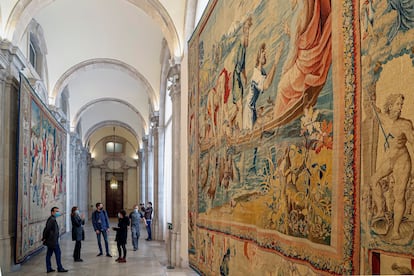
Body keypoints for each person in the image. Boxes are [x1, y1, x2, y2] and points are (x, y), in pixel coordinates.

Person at [370, 94, 414, 240]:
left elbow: (413, 143)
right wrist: (371, 102)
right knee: (373, 180)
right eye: (397, 104)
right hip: (390, 159)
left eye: (401, 105)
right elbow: (375, 110)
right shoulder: (383, 119)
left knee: (399, 195)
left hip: (402, 161)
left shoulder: (405, 124)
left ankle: (395, 230)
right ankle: (381, 213)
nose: (400, 108)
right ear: (390, 106)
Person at [243, 42, 282, 130]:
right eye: (262, 51)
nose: (265, 53)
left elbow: (268, 80)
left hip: (252, 109)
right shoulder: (256, 73)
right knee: (253, 132)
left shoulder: (262, 71)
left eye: (265, 52)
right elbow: (266, 85)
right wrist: (275, 62)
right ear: (258, 55)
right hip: (249, 112)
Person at [42, 206, 68, 273]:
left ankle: (49, 268)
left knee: (49, 254)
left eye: (58, 211)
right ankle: (59, 268)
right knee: (58, 253)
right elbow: (47, 229)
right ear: (52, 212)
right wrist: (44, 238)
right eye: (56, 211)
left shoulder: (53, 219)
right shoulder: (52, 220)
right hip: (52, 241)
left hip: (52, 240)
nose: (57, 213)